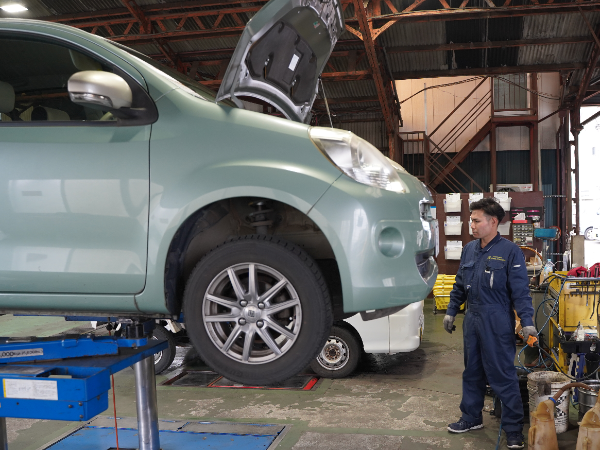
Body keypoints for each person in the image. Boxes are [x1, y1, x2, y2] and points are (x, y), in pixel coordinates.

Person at [443, 198, 536, 450]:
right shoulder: (470, 250)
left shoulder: (510, 252)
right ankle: (471, 417)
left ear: (493, 222)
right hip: (472, 319)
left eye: (476, 220)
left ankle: (514, 429)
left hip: (496, 320)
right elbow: (460, 285)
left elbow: (520, 292)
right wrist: (452, 311)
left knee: (502, 375)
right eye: (471, 220)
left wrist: (527, 322)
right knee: (471, 371)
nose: (471, 225)